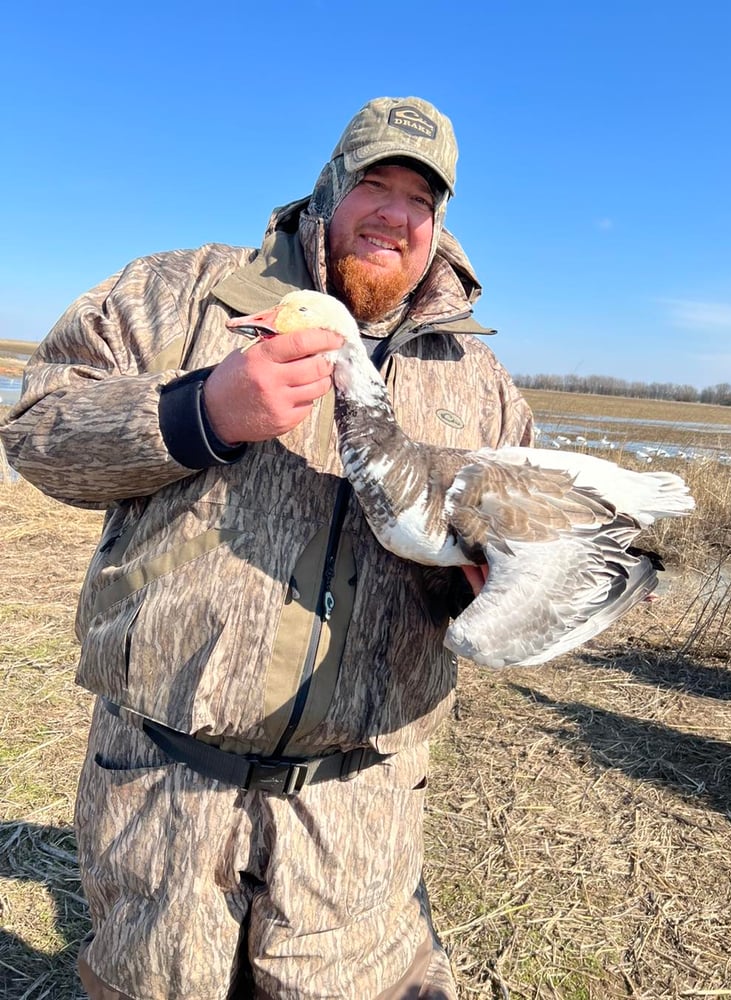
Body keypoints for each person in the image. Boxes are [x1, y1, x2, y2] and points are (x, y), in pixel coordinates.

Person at [0, 97, 533, 1000]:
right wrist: (197, 413)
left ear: (438, 223)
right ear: (329, 186)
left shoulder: (477, 381)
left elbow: (510, 548)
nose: (393, 213)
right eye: (375, 182)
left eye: (420, 198)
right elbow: (35, 425)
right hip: (165, 781)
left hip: (357, 801)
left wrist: (487, 582)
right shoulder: (182, 297)